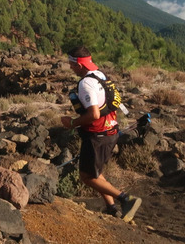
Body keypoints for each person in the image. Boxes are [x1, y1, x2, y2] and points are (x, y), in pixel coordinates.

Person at [61, 46, 142, 222]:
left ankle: (126, 199)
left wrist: (72, 123)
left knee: (87, 176)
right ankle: (112, 209)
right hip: (111, 131)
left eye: (71, 65)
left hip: (97, 135)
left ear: (79, 65)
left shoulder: (85, 83)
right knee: (96, 172)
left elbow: (94, 114)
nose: (70, 68)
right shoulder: (100, 75)